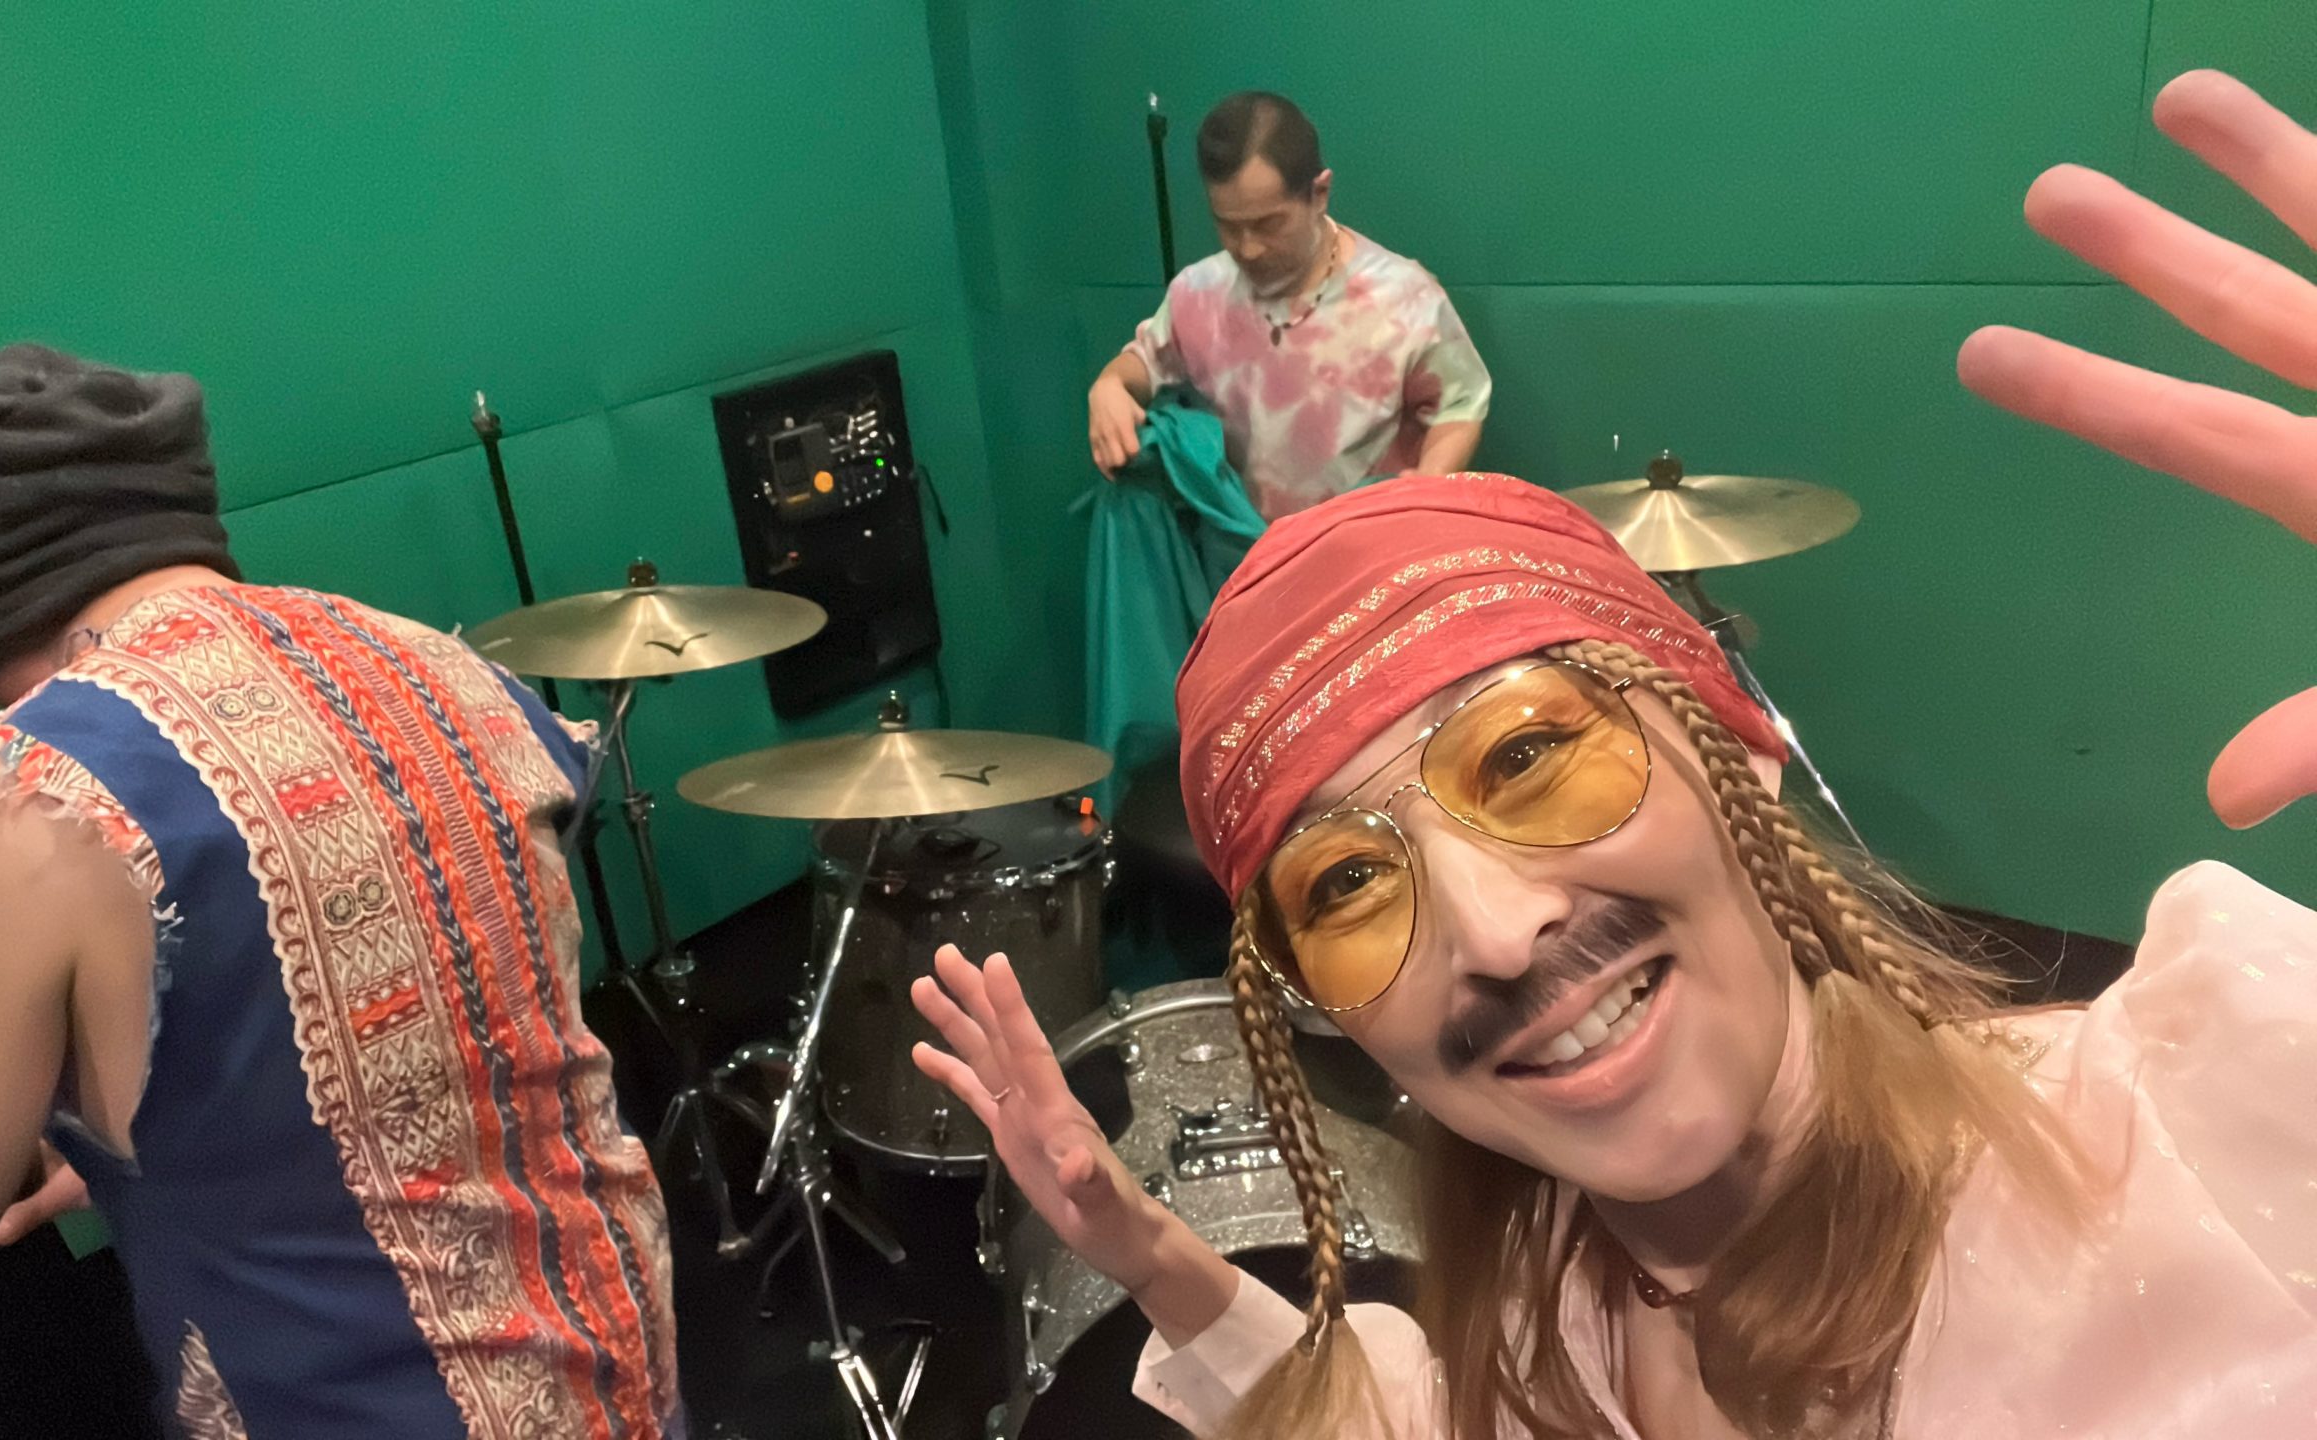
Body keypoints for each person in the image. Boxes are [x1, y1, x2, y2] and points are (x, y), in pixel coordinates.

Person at [920, 69, 2317, 1439]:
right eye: (1345, 884)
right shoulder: (1538, 1321)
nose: (1495, 932)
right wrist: (1149, 1253)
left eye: (1528, 757)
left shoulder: (2179, 1134)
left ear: (1740, 745)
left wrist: (1394, 547)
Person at [0, 345, 682, 1439]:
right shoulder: (442, 669)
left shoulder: (10, 801)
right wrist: (145, 1137)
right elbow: (421, 1057)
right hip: (618, 1379)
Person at [1087, 91, 1494, 519]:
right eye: (1228, 225)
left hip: (1361, 545)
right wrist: (1109, 386)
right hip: (1239, 551)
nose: (1248, 248)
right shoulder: (1198, 292)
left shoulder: (1403, 297)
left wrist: (1431, 479)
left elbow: (1460, 402)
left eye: (1268, 224)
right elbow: (1145, 362)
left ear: (1319, 193)